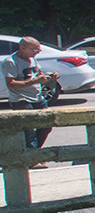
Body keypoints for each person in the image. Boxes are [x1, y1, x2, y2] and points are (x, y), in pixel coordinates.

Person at [3, 36, 58, 166]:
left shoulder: (32, 59)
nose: (37, 52)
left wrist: (49, 77)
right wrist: (34, 81)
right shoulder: (10, 62)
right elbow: (11, 84)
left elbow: (39, 75)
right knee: (29, 129)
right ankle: (32, 159)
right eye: (35, 50)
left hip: (37, 97)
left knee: (46, 124)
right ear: (23, 48)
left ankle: (34, 154)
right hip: (21, 99)